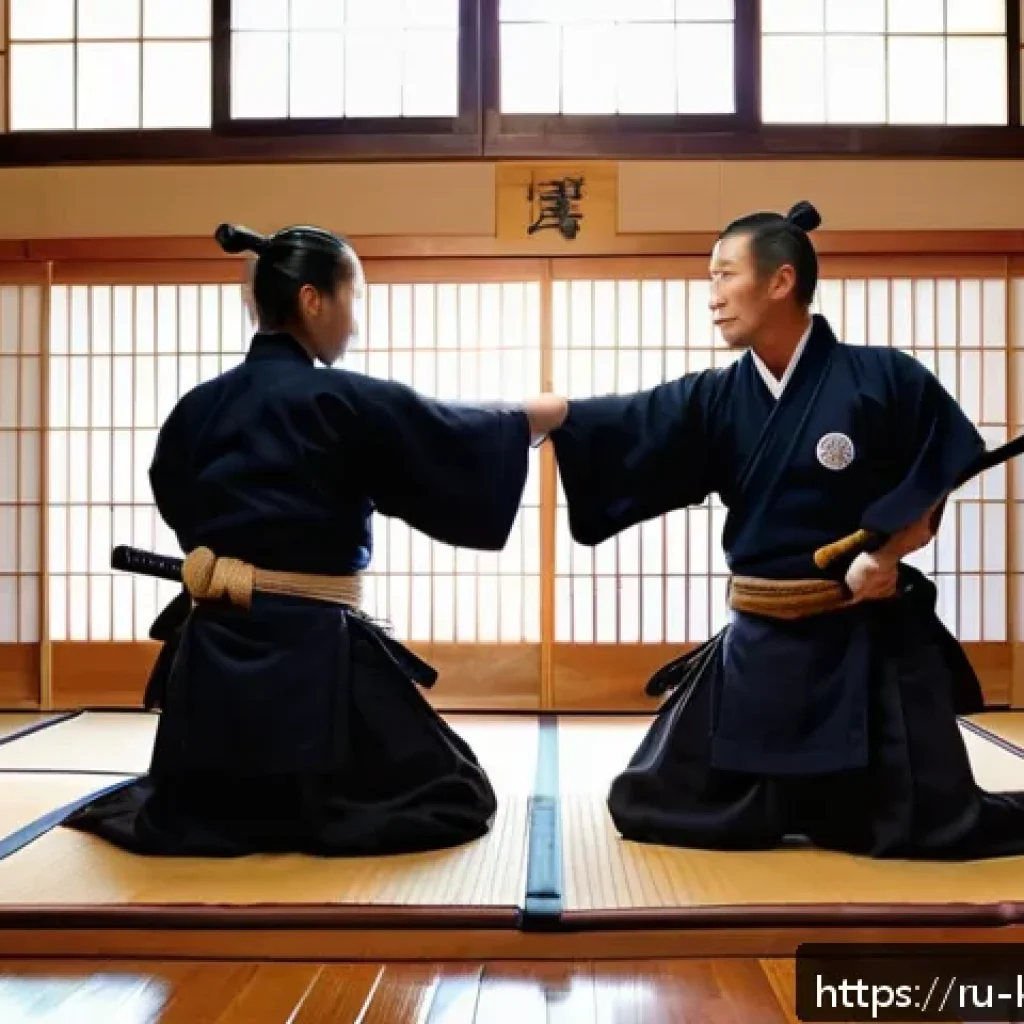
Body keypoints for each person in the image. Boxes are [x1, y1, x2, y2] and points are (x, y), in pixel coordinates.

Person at [64, 222, 567, 858]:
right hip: (315, 659)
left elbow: (174, 492)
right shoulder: (342, 400)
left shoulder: (197, 408)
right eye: (352, 299)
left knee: (197, 802)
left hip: (213, 665)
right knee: (456, 792)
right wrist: (535, 419)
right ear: (311, 300)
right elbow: (446, 434)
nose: (353, 322)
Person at [547, 200, 1024, 860]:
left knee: (927, 826)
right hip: (761, 636)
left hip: (864, 633)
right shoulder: (717, 397)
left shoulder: (883, 377)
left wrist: (886, 551)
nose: (711, 297)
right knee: (651, 801)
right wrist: (547, 416)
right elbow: (632, 420)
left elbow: (935, 467)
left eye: (723, 275)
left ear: (780, 281)